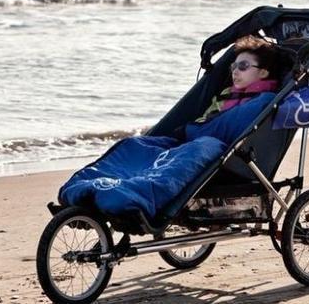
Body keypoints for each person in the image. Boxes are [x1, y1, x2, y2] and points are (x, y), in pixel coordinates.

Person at [58, 35, 281, 218]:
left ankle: (131, 194)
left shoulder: (263, 101)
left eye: (243, 66)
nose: (235, 71)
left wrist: (195, 132)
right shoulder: (226, 95)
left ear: (263, 72)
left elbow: (226, 130)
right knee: (135, 145)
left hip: (221, 153)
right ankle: (93, 184)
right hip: (192, 141)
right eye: (233, 66)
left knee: (197, 148)